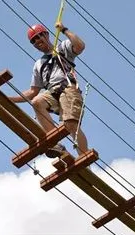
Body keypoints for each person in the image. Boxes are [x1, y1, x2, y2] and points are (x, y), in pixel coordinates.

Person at [8, 23, 89, 158]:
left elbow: (80, 46)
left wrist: (64, 30)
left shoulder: (62, 48)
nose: (37, 41)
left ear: (46, 34)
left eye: (39, 36)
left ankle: (84, 157)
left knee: (70, 124)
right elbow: (33, 91)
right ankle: (55, 143)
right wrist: (11, 99)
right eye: (33, 41)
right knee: (37, 102)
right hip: (52, 92)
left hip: (67, 89)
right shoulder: (39, 64)